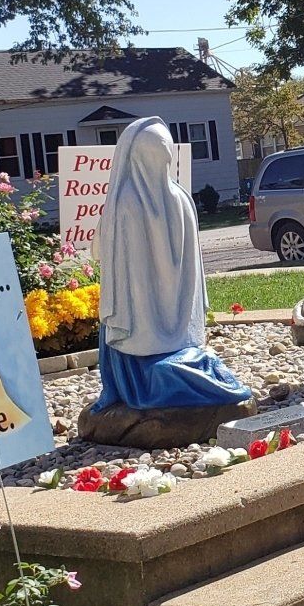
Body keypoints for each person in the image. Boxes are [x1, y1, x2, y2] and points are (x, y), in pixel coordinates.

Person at [89, 118, 249, 412]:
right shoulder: (183, 198)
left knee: (115, 333)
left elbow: (99, 254)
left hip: (138, 327)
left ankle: (143, 372)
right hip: (180, 324)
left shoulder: (124, 202)